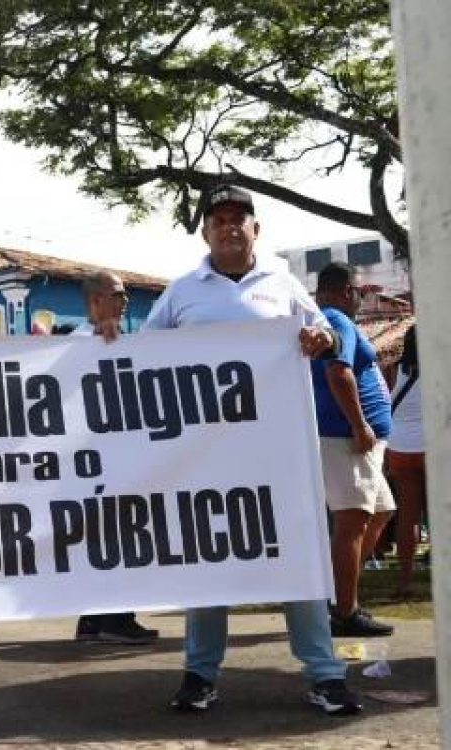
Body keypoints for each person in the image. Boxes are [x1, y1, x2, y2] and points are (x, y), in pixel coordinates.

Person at [141, 184, 360, 716]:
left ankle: (325, 674)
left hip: (279, 455)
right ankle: (199, 674)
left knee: (298, 558)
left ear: (255, 229)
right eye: (218, 220)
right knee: (208, 562)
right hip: (204, 457)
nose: (229, 227)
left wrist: (323, 341)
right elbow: (140, 353)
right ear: (205, 232)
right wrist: (103, 334)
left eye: (239, 218)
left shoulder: (283, 284)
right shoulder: (182, 292)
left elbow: (327, 334)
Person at [70, 271, 161, 646]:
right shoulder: (77, 343)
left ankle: (93, 620)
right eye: (118, 295)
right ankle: (115, 618)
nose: (125, 302)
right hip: (95, 459)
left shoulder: (123, 339)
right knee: (116, 536)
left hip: (118, 455)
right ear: (96, 301)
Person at [311, 262, 395, 637]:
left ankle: (341, 598)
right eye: (360, 292)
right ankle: (343, 612)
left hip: (355, 443)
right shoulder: (336, 319)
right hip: (345, 439)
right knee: (352, 522)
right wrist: (360, 425)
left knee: (381, 512)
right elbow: (338, 371)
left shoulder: (328, 320)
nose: (361, 299)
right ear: (348, 292)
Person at [386, 324, 425, 598]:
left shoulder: (393, 369)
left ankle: (405, 580)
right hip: (431, 443)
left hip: (399, 445)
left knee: (408, 515)